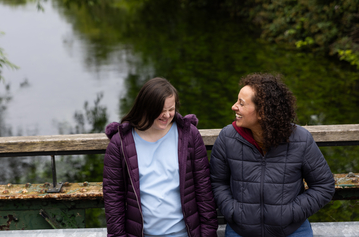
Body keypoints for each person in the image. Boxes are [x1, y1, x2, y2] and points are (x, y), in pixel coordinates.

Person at [210, 73, 335, 237]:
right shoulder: (227, 137)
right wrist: (233, 211)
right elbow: (217, 182)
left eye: (241, 103)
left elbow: (324, 186)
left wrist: (291, 212)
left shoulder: (301, 139)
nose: (234, 107)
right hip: (241, 230)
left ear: (262, 112)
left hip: (292, 230)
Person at [103, 77, 218, 237]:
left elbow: (204, 190)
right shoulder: (120, 142)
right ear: (145, 107)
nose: (167, 115)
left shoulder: (189, 135)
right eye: (161, 110)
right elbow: (113, 198)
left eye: (171, 109)